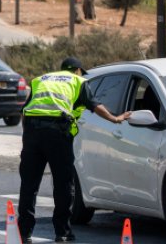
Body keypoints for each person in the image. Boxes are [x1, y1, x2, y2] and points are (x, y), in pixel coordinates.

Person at [18, 57, 131, 243]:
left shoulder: (41, 79)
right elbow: (95, 106)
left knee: (29, 185)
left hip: (32, 132)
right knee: (63, 184)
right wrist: (115, 119)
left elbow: (25, 111)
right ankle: (62, 232)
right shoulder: (78, 81)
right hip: (57, 133)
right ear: (78, 70)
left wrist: (28, 139)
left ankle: (24, 232)